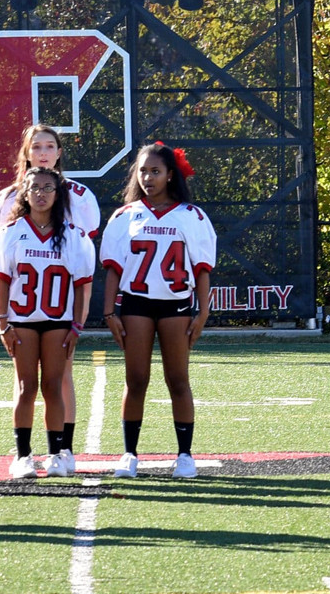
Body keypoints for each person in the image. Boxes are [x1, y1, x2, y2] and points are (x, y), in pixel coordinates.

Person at [0, 124, 103, 468]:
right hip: (23, 313)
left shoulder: (78, 205)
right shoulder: (8, 209)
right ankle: (23, 453)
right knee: (25, 385)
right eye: (36, 146)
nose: (43, 153)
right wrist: (2, 320)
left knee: (58, 380)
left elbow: (81, 275)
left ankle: (61, 449)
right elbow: (2, 272)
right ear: (26, 152)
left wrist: (78, 323)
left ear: (59, 152)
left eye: (49, 146)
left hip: (58, 311)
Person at [99, 143, 216, 480]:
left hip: (176, 304)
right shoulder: (125, 215)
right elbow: (113, 269)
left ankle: (185, 455)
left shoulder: (191, 216)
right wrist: (109, 313)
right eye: (143, 171)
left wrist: (202, 312)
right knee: (136, 379)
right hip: (136, 303)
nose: (148, 178)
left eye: (156, 171)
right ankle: (129, 454)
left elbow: (202, 269)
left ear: (170, 175)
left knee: (178, 379)